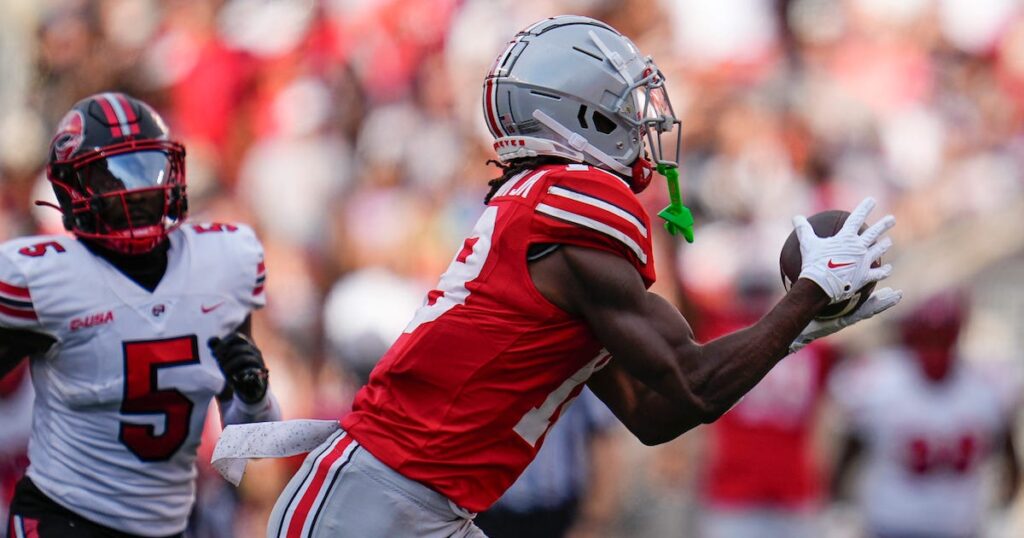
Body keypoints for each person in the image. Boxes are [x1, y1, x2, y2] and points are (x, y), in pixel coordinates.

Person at [223, 15, 899, 538]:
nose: (646, 121)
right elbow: (692, 385)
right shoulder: (573, 204)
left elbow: (655, 414)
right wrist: (806, 296)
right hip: (372, 504)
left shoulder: (549, 217)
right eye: (628, 103)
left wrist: (793, 326)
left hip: (417, 500)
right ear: (582, 112)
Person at [0, 92, 281, 538]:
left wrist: (253, 395)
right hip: (63, 519)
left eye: (146, 167)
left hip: (168, 525)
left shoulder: (223, 261)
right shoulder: (41, 279)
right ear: (73, 189)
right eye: (114, 175)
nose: (139, 190)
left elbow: (253, 446)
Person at [830, 290, 1021, 538]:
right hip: (894, 524)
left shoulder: (986, 386)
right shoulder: (881, 379)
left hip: (954, 525)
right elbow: (852, 445)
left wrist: (836, 495)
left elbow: (1008, 454)